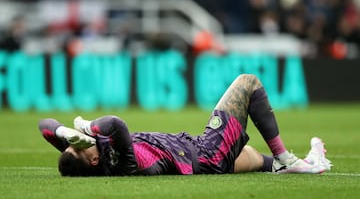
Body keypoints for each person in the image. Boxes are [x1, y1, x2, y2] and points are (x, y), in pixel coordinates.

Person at [39, 74, 332, 176]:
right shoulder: (120, 162)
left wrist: (64, 134)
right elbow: (116, 125)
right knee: (247, 83)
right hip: (205, 153)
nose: (82, 142)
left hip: (192, 152)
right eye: (79, 148)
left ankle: (305, 163)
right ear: (92, 161)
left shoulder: (93, 155)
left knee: (256, 160)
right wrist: (86, 126)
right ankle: (286, 159)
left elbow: (45, 125)